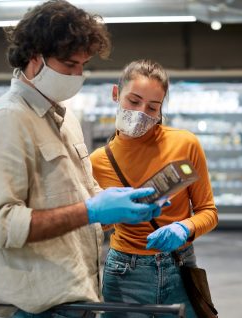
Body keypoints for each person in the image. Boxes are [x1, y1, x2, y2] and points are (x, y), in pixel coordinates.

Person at [0, 2, 163, 317]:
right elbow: (1, 226)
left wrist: (119, 208)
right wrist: (89, 211)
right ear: (33, 57)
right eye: (69, 64)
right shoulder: (8, 120)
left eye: (83, 65)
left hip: (78, 298)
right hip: (36, 309)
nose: (77, 75)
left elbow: (79, 197)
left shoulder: (64, 117)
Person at [90, 59, 219, 318]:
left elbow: (208, 211)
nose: (141, 113)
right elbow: (97, 226)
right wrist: (110, 214)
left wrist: (185, 228)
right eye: (133, 101)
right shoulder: (98, 161)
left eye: (152, 107)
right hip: (125, 273)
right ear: (116, 95)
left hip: (179, 266)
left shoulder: (185, 145)